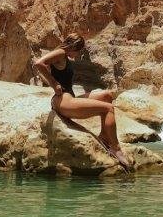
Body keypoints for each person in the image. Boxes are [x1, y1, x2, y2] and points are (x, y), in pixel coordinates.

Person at [33, 33, 130, 171]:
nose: (79, 54)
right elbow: (39, 63)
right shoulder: (61, 52)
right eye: (79, 51)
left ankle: (104, 136)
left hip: (70, 97)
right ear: (74, 47)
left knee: (107, 96)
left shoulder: (64, 56)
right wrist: (54, 83)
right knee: (108, 108)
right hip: (62, 100)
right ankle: (116, 148)